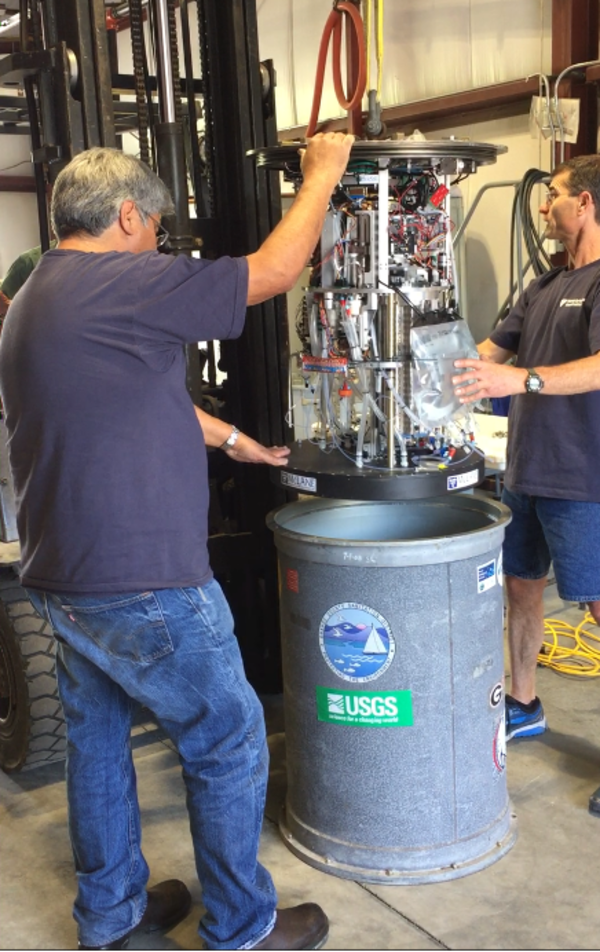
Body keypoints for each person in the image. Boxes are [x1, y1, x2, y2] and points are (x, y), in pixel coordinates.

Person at [0, 133, 354, 950]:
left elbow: (128, 401)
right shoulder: (121, 281)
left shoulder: (38, 298)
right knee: (226, 739)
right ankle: (242, 926)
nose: (158, 240)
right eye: (156, 224)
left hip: (65, 572)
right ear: (127, 215)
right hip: (143, 577)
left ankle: (113, 917)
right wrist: (322, 176)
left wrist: (235, 441)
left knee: (96, 743)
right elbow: (270, 273)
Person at [451, 154, 600, 817]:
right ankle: (523, 703)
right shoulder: (544, 283)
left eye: (557, 197)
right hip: (527, 472)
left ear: (588, 204)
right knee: (520, 591)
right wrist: (439, 362)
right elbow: (495, 347)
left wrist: (524, 381)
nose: (545, 208)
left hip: (585, 478)